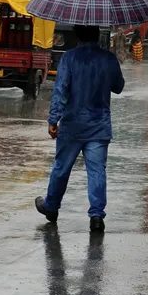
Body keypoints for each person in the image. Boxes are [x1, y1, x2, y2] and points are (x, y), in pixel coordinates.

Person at [36, 25, 125, 232]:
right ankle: (96, 216)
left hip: (73, 125)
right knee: (96, 172)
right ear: (97, 36)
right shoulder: (108, 58)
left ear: (77, 36)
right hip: (99, 125)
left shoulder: (69, 58)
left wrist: (53, 119)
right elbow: (118, 87)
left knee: (62, 168)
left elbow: (61, 90)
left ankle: (51, 207)